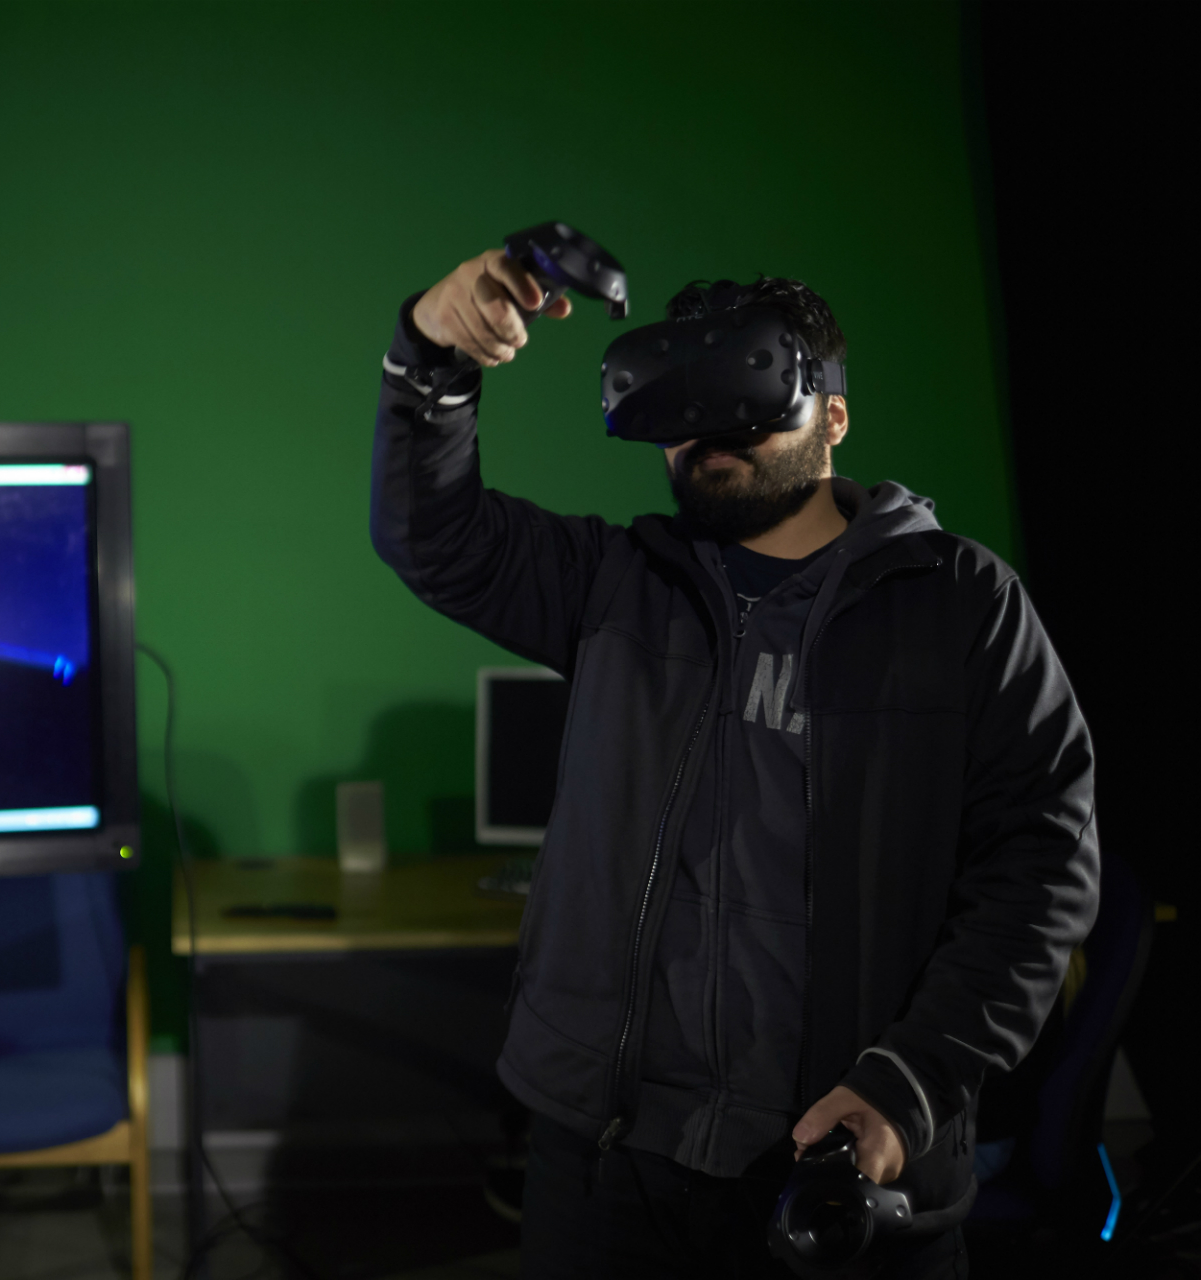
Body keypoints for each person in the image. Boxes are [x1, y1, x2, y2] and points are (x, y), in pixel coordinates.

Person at [371, 249, 1098, 1278]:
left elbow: (1044, 872)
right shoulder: (618, 585)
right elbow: (429, 533)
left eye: (750, 398)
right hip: (607, 1163)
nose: (713, 433)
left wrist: (909, 1083)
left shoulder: (960, 606)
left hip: (844, 1163)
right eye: (687, 404)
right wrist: (433, 354)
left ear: (834, 418)